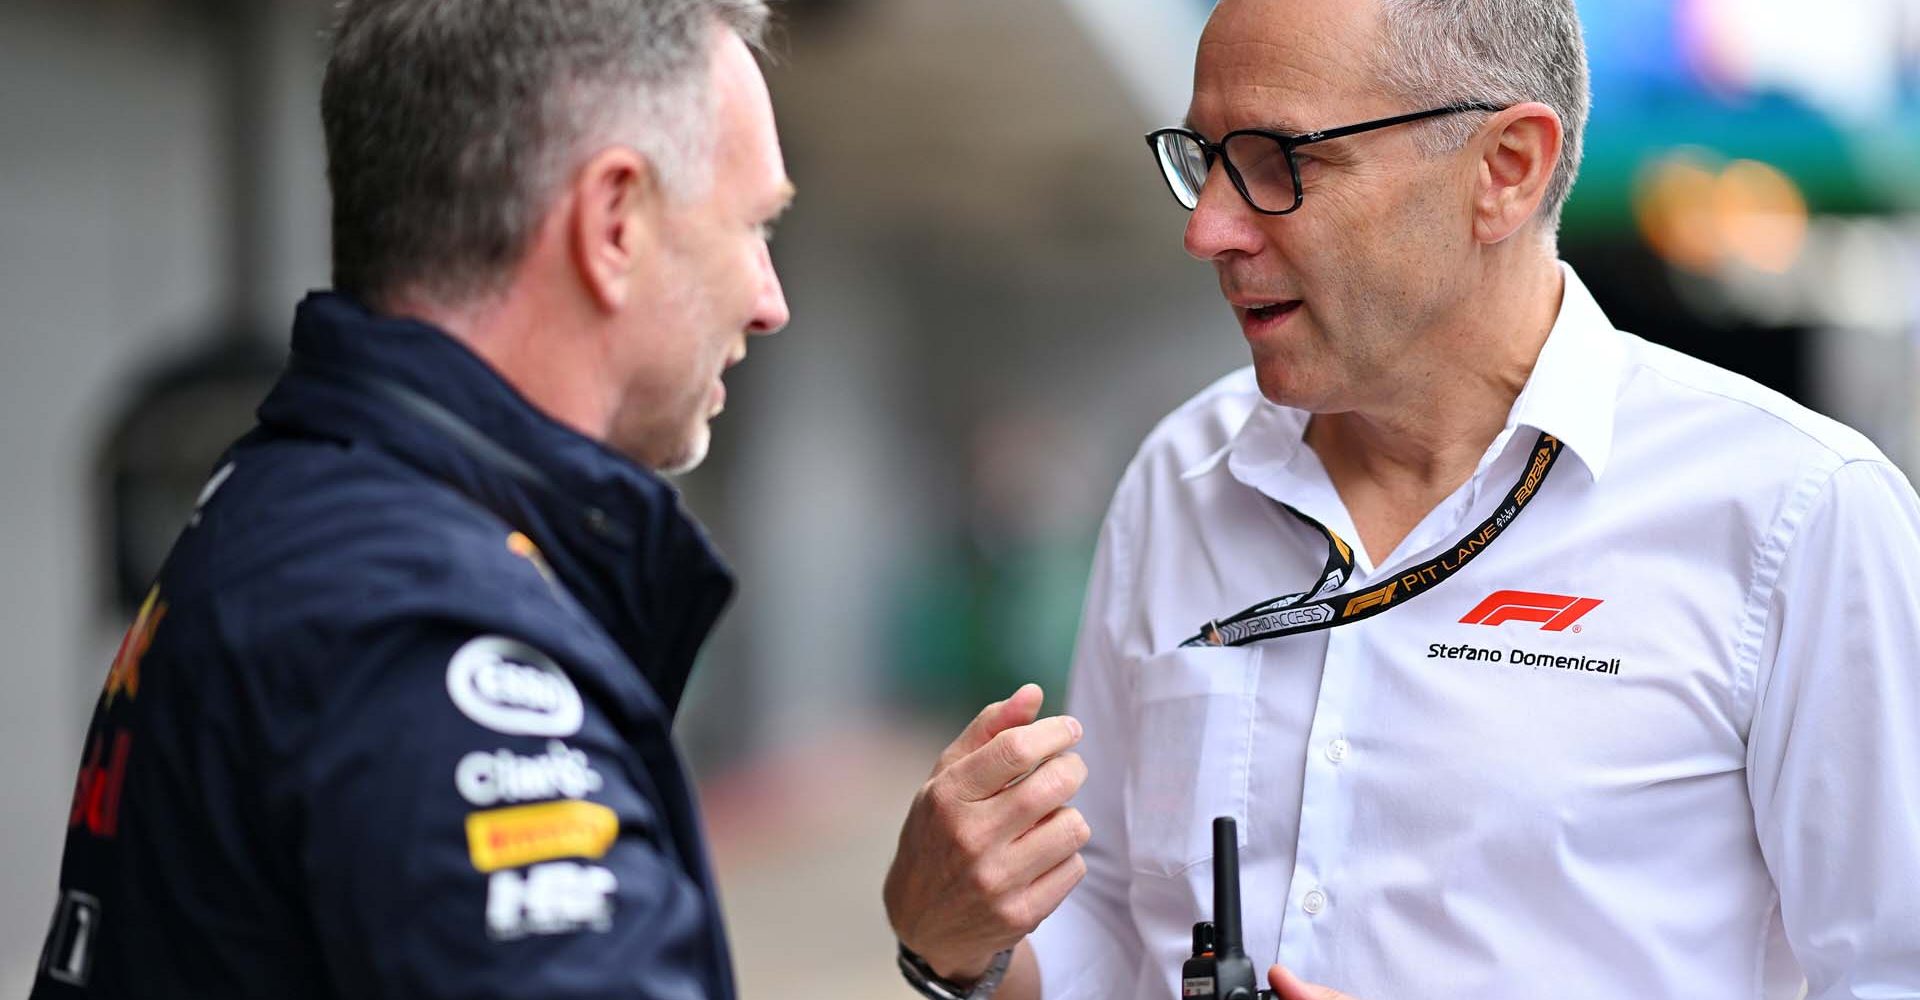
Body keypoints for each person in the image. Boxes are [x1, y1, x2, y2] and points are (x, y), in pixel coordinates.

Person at [883, 0, 1920, 997]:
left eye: (1279, 162)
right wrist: (959, 942)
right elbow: (1114, 923)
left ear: (1505, 170)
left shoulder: (1797, 514)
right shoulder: (1179, 477)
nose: (1208, 229)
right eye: (1205, 161)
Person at [33, 0, 790, 996]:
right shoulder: (419, 629)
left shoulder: (295, 517)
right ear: (614, 223)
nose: (769, 300)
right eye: (753, 226)